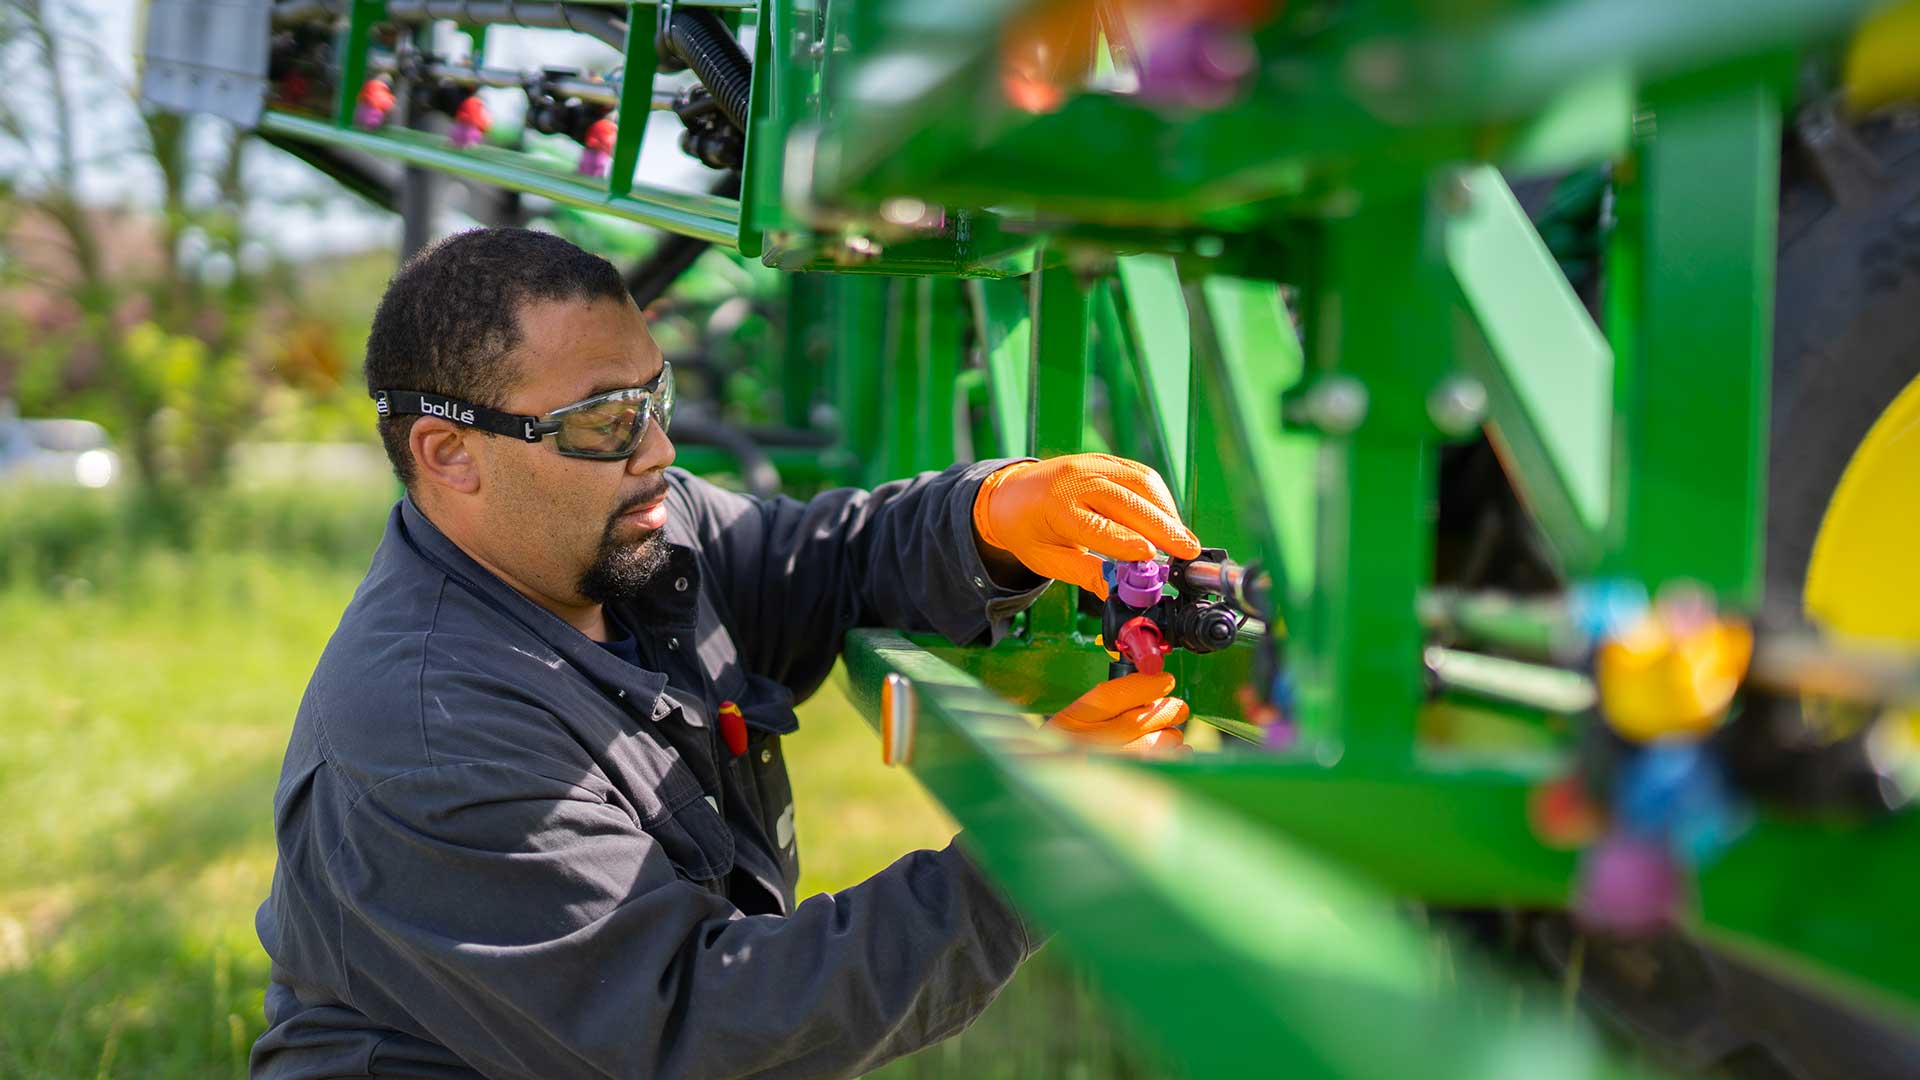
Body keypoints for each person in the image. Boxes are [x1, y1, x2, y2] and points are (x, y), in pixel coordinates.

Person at [250, 227, 1202, 1079]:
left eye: (652, 394)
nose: (657, 447)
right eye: (602, 419)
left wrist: (989, 517)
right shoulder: (433, 730)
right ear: (450, 455)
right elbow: (699, 1029)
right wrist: (1038, 850)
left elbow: (823, 561)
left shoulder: (624, 538)